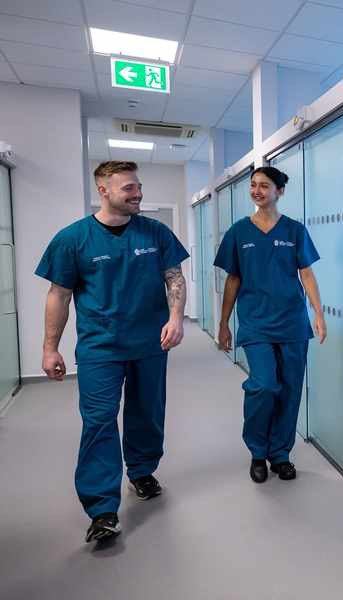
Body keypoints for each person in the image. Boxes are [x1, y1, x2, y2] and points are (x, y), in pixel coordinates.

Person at [35, 161, 189, 543]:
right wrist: (50, 348)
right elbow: (59, 294)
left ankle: (140, 470)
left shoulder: (155, 232)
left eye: (138, 187)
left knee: (147, 412)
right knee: (100, 420)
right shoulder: (73, 239)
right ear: (103, 190)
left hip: (151, 344)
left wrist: (176, 317)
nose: (137, 194)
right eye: (128, 189)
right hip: (100, 348)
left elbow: (174, 276)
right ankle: (102, 507)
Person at [214, 166, 326, 484]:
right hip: (256, 323)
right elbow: (233, 280)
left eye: (264, 185)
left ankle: (280, 454)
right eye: (253, 185)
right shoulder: (239, 232)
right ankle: (257, 451)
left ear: (280, 191)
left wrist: (318, 313)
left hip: (292, 323)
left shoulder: (294, 231)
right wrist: (223, 323)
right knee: (264, 385)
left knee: (290, 389)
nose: (257, 191)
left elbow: (306, 273)